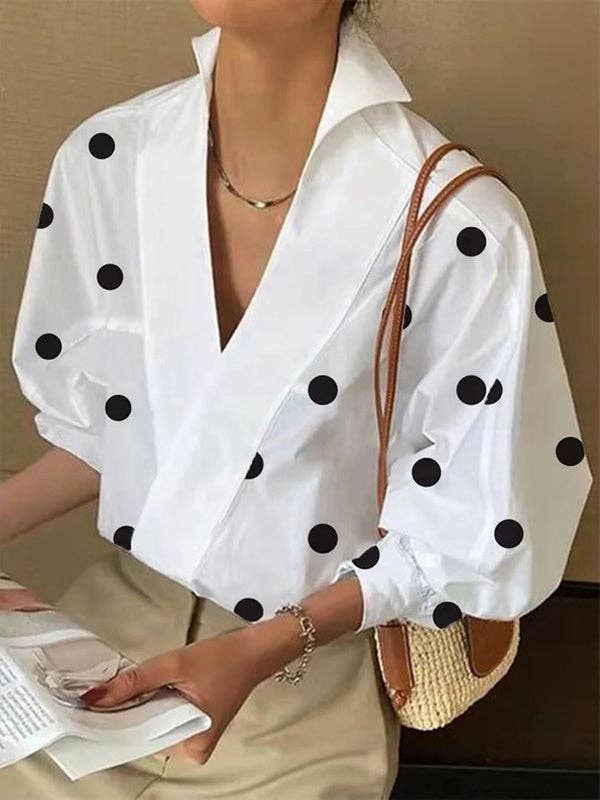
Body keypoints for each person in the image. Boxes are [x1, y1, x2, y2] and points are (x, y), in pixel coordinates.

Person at [0, 1, 592, 798]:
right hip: (96, 654)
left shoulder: (458, 223)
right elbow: (112, 429)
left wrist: (265, 647)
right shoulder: (111, 156)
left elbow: (463, 532)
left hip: (303, 681)